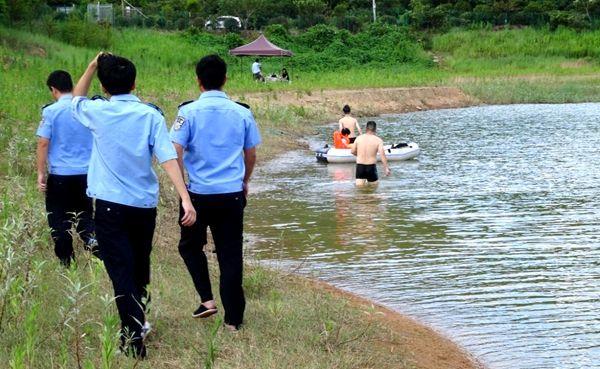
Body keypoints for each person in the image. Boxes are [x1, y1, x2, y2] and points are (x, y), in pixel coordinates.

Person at [71, 52, 196, 358]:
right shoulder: (150, 116)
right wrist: (185, 197)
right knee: (139, 265)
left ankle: (133, 340)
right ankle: (139, 322)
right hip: (143, 206)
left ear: (103, 84)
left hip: (110, 207)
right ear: (135, 82)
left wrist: (90, 66)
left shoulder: (97, 112)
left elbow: (75, 99)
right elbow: (167, 158)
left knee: (122, 272)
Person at [170, 54, 261, 332]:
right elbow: (251, 153)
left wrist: (182, 188)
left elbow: (174, 151)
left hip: (196, 195)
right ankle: (233, 320)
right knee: (230, 255)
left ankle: (207, 299)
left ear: (198, 82)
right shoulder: (242, 112)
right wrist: (245, 181)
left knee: (189, 246)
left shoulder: (187, 113)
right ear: (225, 80)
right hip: (232, 195)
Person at [36, 70, 96, 266]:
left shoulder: (51, 111)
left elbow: (43, 143)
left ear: (53, 90)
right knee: (85, 217)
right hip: (85, 175)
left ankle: (67, 263)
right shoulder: (86, 108)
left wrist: (41, 173)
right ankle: (96, 248)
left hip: (60, 175)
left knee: (59, 219)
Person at [351, 121, 391, 186]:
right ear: (375, 129)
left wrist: (360, 155)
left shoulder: (358, 138)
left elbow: (352, 151)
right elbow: (382, 155)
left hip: (360, 166)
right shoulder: (378, 140)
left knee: (359, 190)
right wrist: (386, 168)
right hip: (371, 167)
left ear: (366, 128)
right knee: (374, 188)